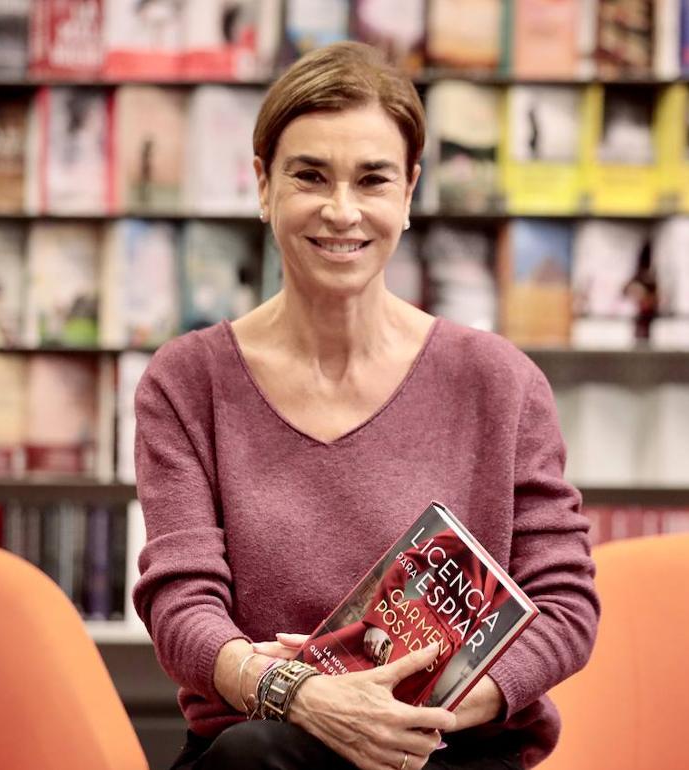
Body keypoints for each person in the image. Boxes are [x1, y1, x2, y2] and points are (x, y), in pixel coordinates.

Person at [132, 41, 599, 770]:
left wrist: (413, 709)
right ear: (263, 186)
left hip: (450, 747)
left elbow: (565, 607)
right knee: (256, 756)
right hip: (260, 746)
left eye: (372, 180)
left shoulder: (499, 383)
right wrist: (303, 697)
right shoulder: (187, 382)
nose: (342, 211)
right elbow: (181, 608)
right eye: (310, 176)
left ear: (408, 194)